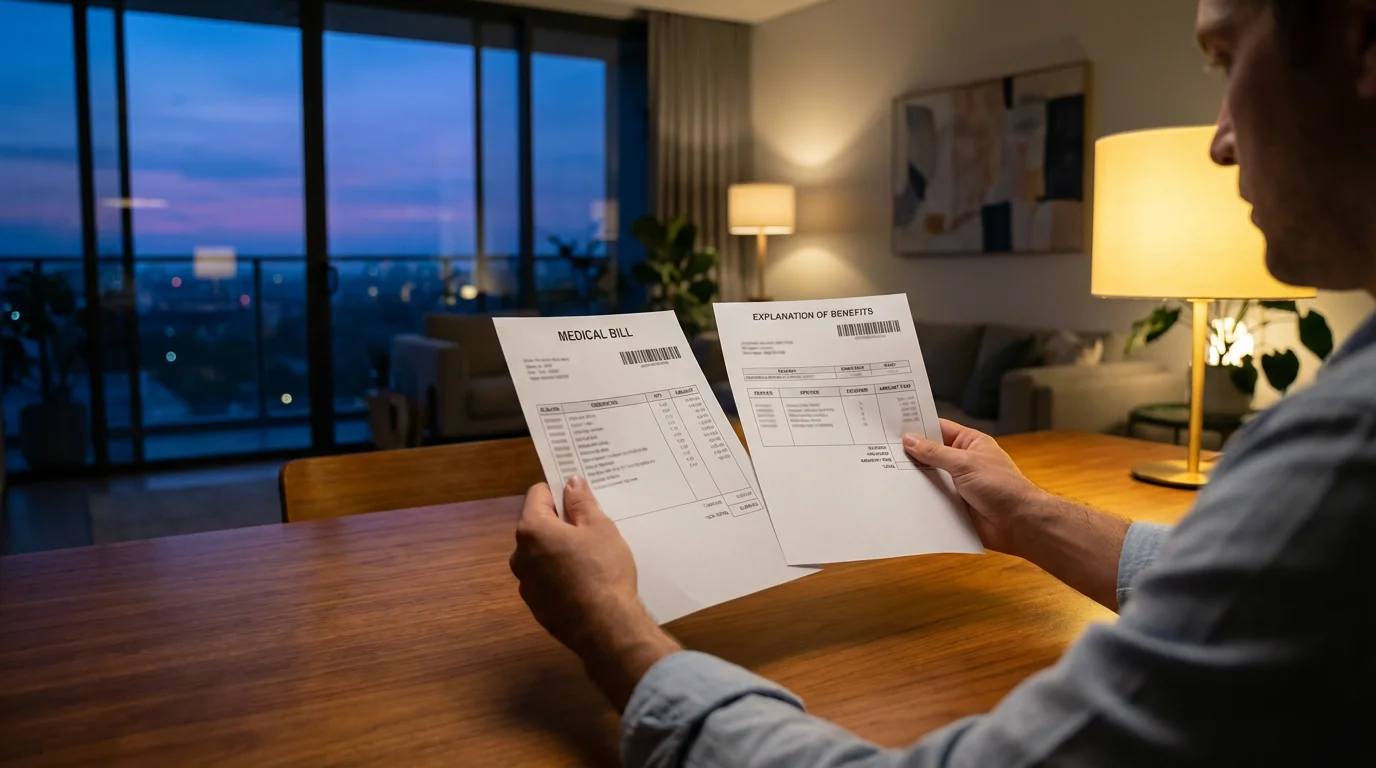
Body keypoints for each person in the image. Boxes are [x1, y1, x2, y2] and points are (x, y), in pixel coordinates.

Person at [508, 0, 1376, 764]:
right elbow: (1256, 598)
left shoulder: (1346, 449)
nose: (1219, 140)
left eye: (1224, 58)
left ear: (1362, 40)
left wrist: (611, 624)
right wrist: (1028, 514)